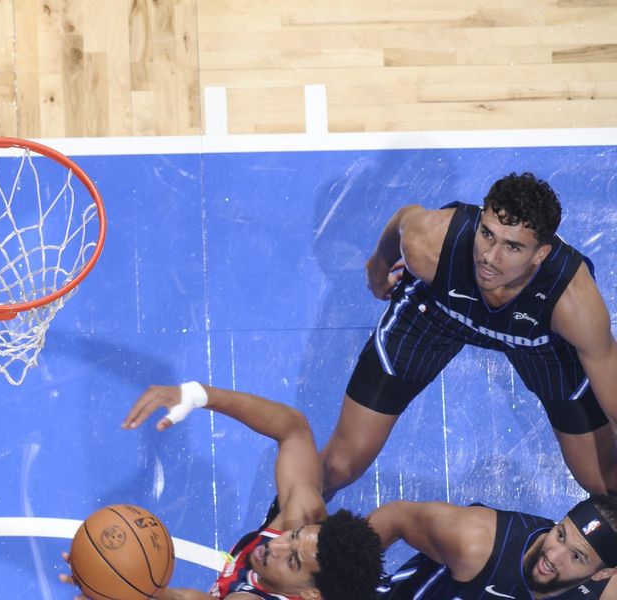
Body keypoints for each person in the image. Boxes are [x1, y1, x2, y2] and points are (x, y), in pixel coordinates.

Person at [321, 172, 617, 498]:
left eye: (512, 246)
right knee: (340, 465)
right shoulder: (430, 243)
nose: (490, 256)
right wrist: (378, 266)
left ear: (541, 254)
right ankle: (277, 529)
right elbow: (403, 222)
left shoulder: (572, 303)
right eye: (487, 233)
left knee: (602, 482)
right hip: (437, 314)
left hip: (536, 341)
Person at [60, 382, 384, 600]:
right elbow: (293, 429)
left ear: (311, 595)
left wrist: (126, 587)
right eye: (295, 536)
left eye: (294, 560)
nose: (279, 546)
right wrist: (198, 394)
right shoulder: (299, 518)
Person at [370, 494, 617, 599]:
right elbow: (395, 517)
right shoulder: (475, 541)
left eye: (576, 556)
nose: (552, 556)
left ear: (603, 573)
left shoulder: (604, 591)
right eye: (560, 535)